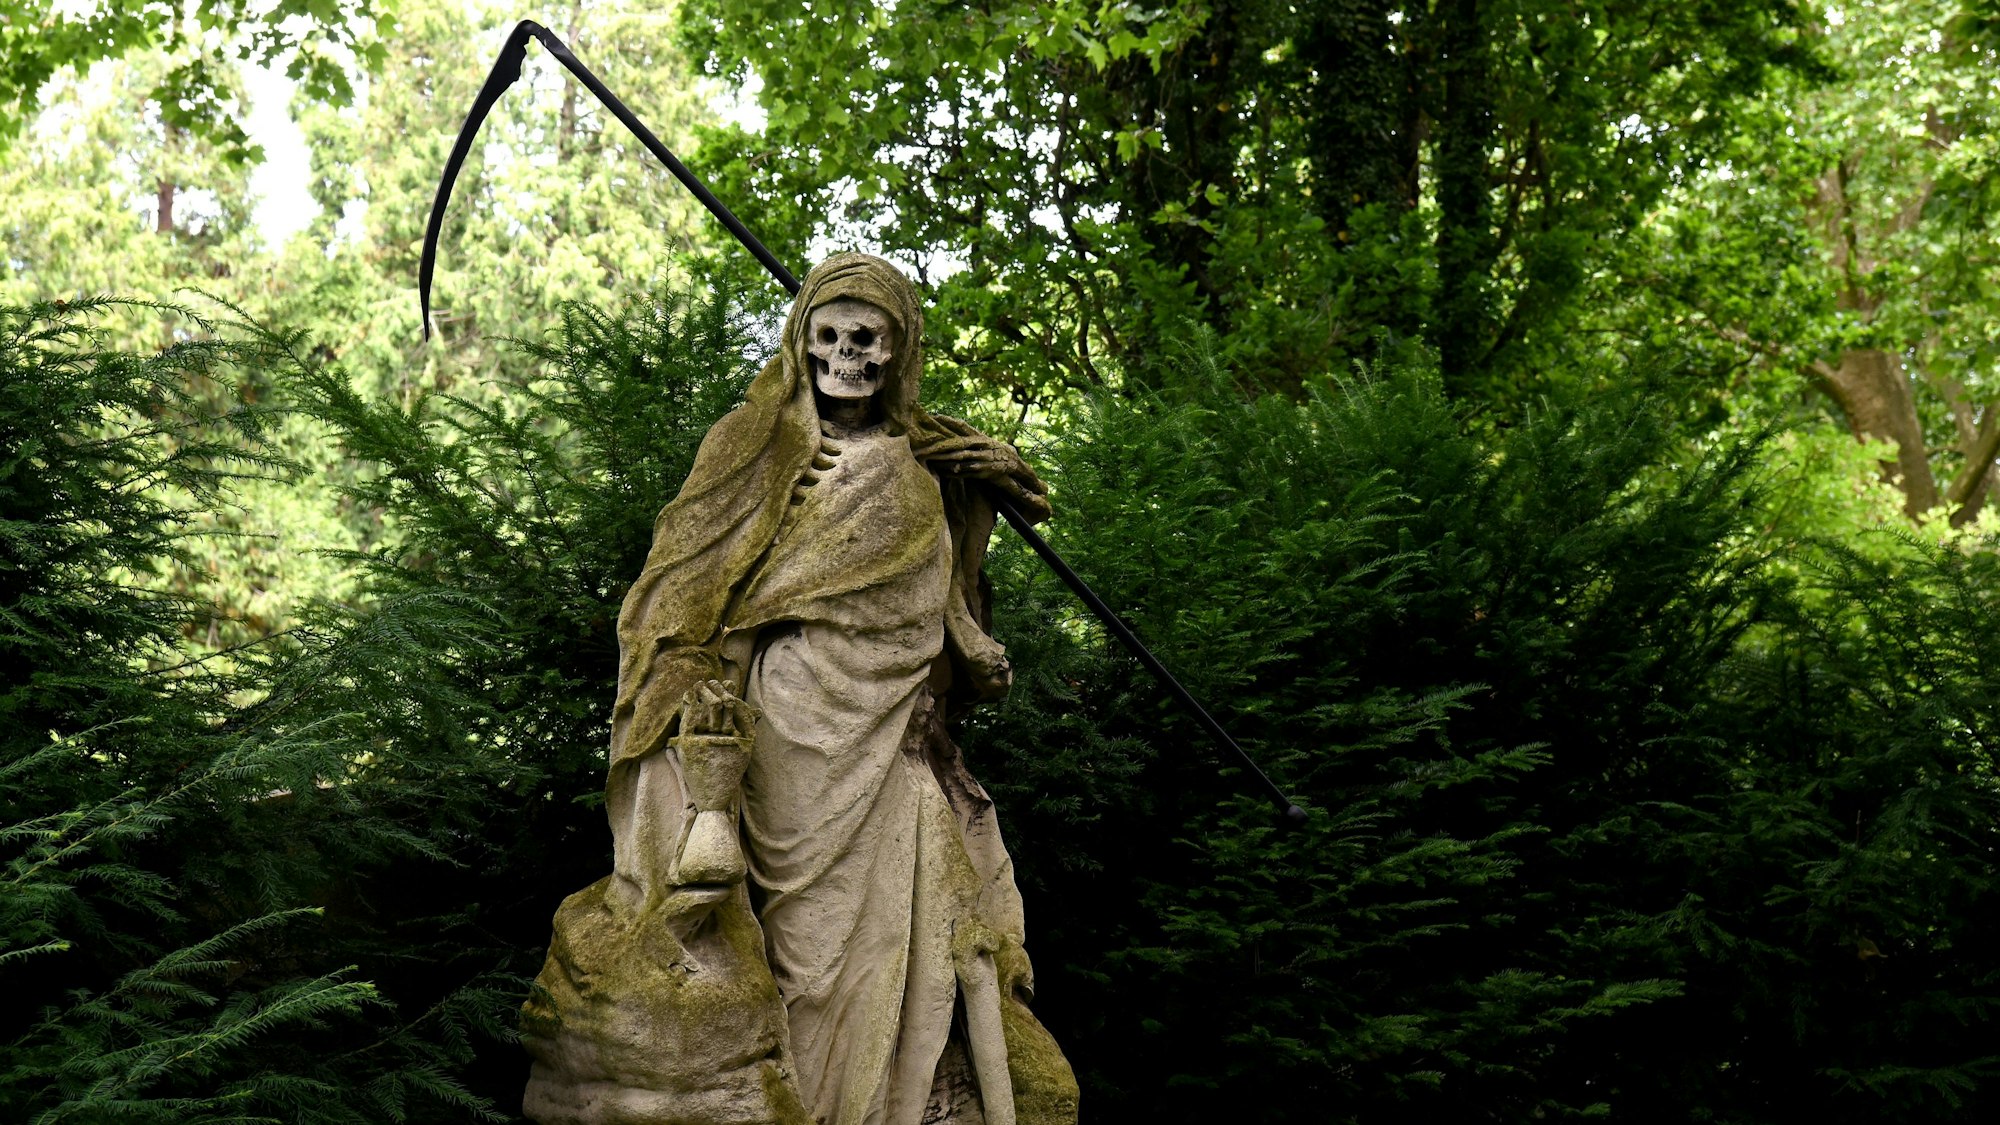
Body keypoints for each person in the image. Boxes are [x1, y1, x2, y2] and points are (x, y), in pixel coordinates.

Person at [602, 252, 1071, 1125]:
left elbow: (945, 603)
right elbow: (687, 591)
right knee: (803, 954)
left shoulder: (921, 462)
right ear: (801, 342)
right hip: (793, 728)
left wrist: (984, 493)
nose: (846, 356)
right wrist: (702, 689)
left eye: (868, 339)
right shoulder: (750, 447)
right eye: (828, 336)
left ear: (899, 352)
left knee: (906, 946)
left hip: (894, 736)